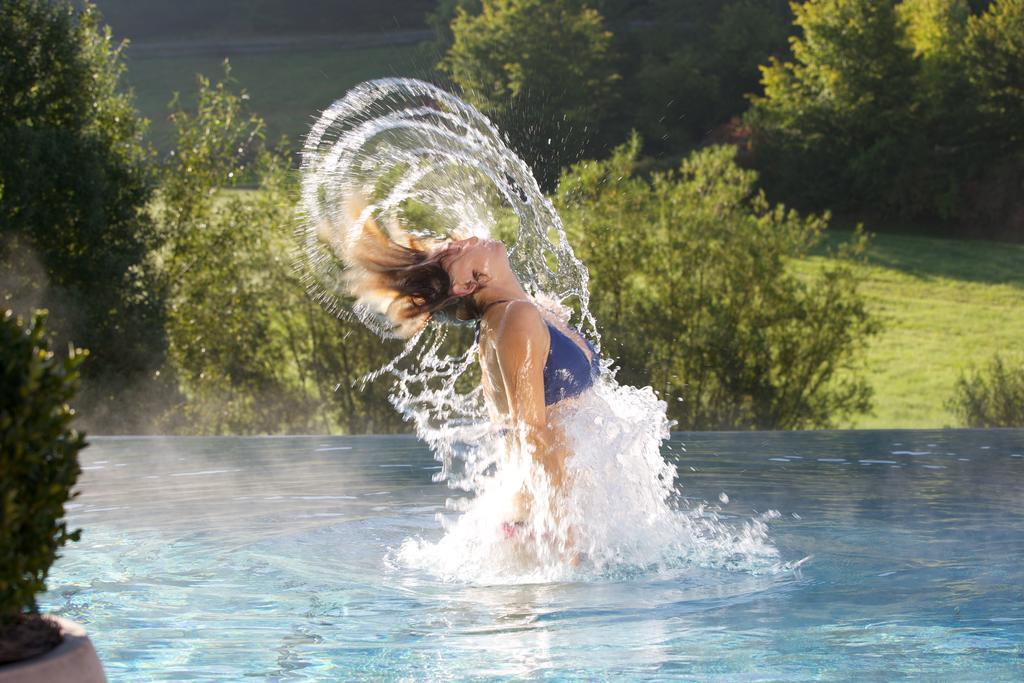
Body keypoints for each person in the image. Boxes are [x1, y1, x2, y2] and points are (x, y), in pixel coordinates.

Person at [332, 205, 600, 537]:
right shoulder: (515, 319)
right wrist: (566, 533)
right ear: (464, 285)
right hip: (541, 524)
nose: (468, 239)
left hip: (547, 515)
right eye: (455, 251)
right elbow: (532, 434)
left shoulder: (526, 312)